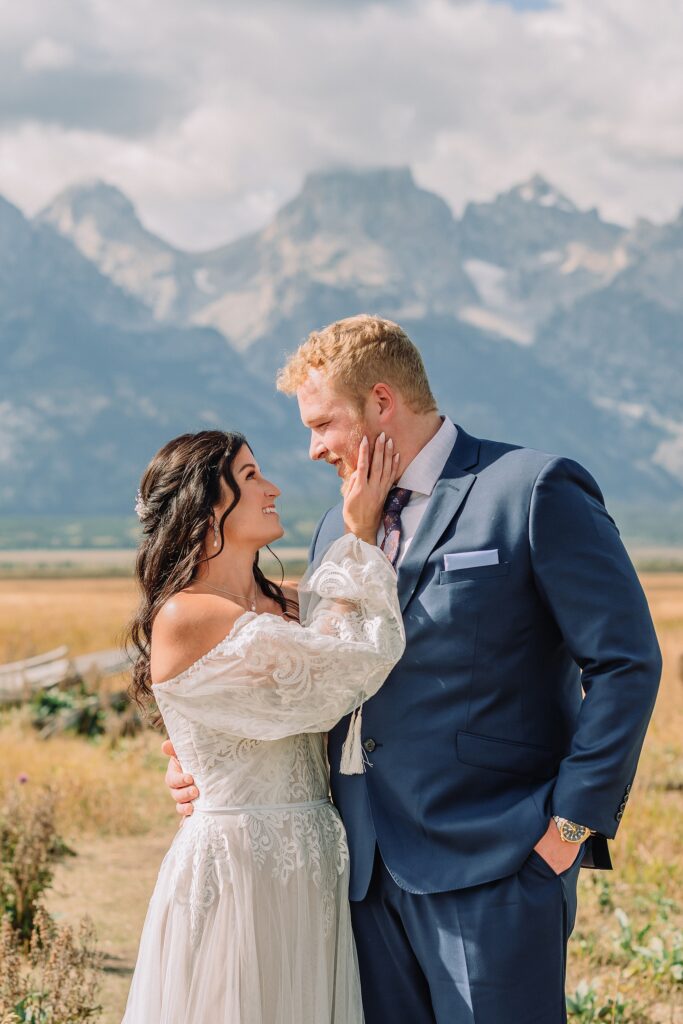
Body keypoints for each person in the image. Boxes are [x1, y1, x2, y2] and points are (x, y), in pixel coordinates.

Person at [164, 316, 662, 1023]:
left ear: (379, 402)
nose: (312, 449)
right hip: (356, 873)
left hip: (495, 863)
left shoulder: (529, 489)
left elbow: (625, 662)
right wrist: (204, 761)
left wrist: (571, 830)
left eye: (323, 424)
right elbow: (312, 674)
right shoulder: (336, 528)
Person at [122, 428, 406, 1024]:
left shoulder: (293, 607)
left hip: (317, 858)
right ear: (203, 505)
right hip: (238, 864)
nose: (273, 487)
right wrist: (358, 536)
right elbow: (336, 679)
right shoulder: (185, 614)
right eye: (250, 477)